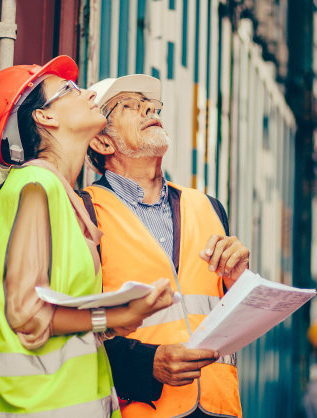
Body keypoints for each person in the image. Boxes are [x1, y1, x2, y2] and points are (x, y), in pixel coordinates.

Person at [0, 57, 175, 417]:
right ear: (45, 117)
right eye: (68, 90)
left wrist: (122, 317)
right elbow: (27, 314)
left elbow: (56, 316)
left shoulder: (60, 196)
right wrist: (115, 314)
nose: (87, 93)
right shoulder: (34, 184)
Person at [80, 74, 250, 418]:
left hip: (220, 407)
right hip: (142, 408)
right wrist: (148, 364)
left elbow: (231, 321)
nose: (147, 108)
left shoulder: (209, 207)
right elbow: (76, 329)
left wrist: (239, 281)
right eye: (128, 105)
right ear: (101, 142)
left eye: (151, 105)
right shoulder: (86, 212)